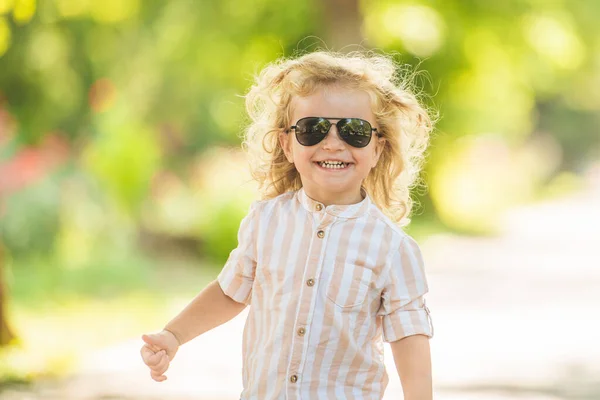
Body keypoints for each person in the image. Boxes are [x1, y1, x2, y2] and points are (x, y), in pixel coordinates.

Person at [140, 50, 435, 400]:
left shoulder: (391, 247)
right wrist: (174, 335)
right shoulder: (265, 222)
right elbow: (229, 291)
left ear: (377, 148)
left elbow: (408, 334)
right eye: (313, 129)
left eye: (354, 131)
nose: (333, 143)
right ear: (287, 144)